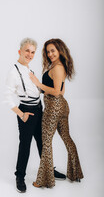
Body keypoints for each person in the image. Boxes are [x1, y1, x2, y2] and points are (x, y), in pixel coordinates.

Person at [5, 38, 66, 193]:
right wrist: (21, 114)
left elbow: (36, 91)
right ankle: (20, 177)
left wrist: (58, 90)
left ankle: (49, 170)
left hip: (39, 110)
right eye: (27, 51)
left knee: (42, 142)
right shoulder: (14, 72)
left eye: (33, 52)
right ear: (20, 51)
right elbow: (7, 97)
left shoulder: (29, 70)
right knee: (24, 146)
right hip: (27, 111)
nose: (30, 54)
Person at [29, 38, 84, 188]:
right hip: (62, 107)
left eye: (53, 50)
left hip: (54, 108)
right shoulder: (58, 65)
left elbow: (57, 92)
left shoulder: (58, 67)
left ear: (60, 50)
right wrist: (37, 89)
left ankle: (43, 180)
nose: (50, 54)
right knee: (66, 138)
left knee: (46, 142)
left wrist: (37, 83)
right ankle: (75, 173)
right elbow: (60, 89)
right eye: (48, 51)